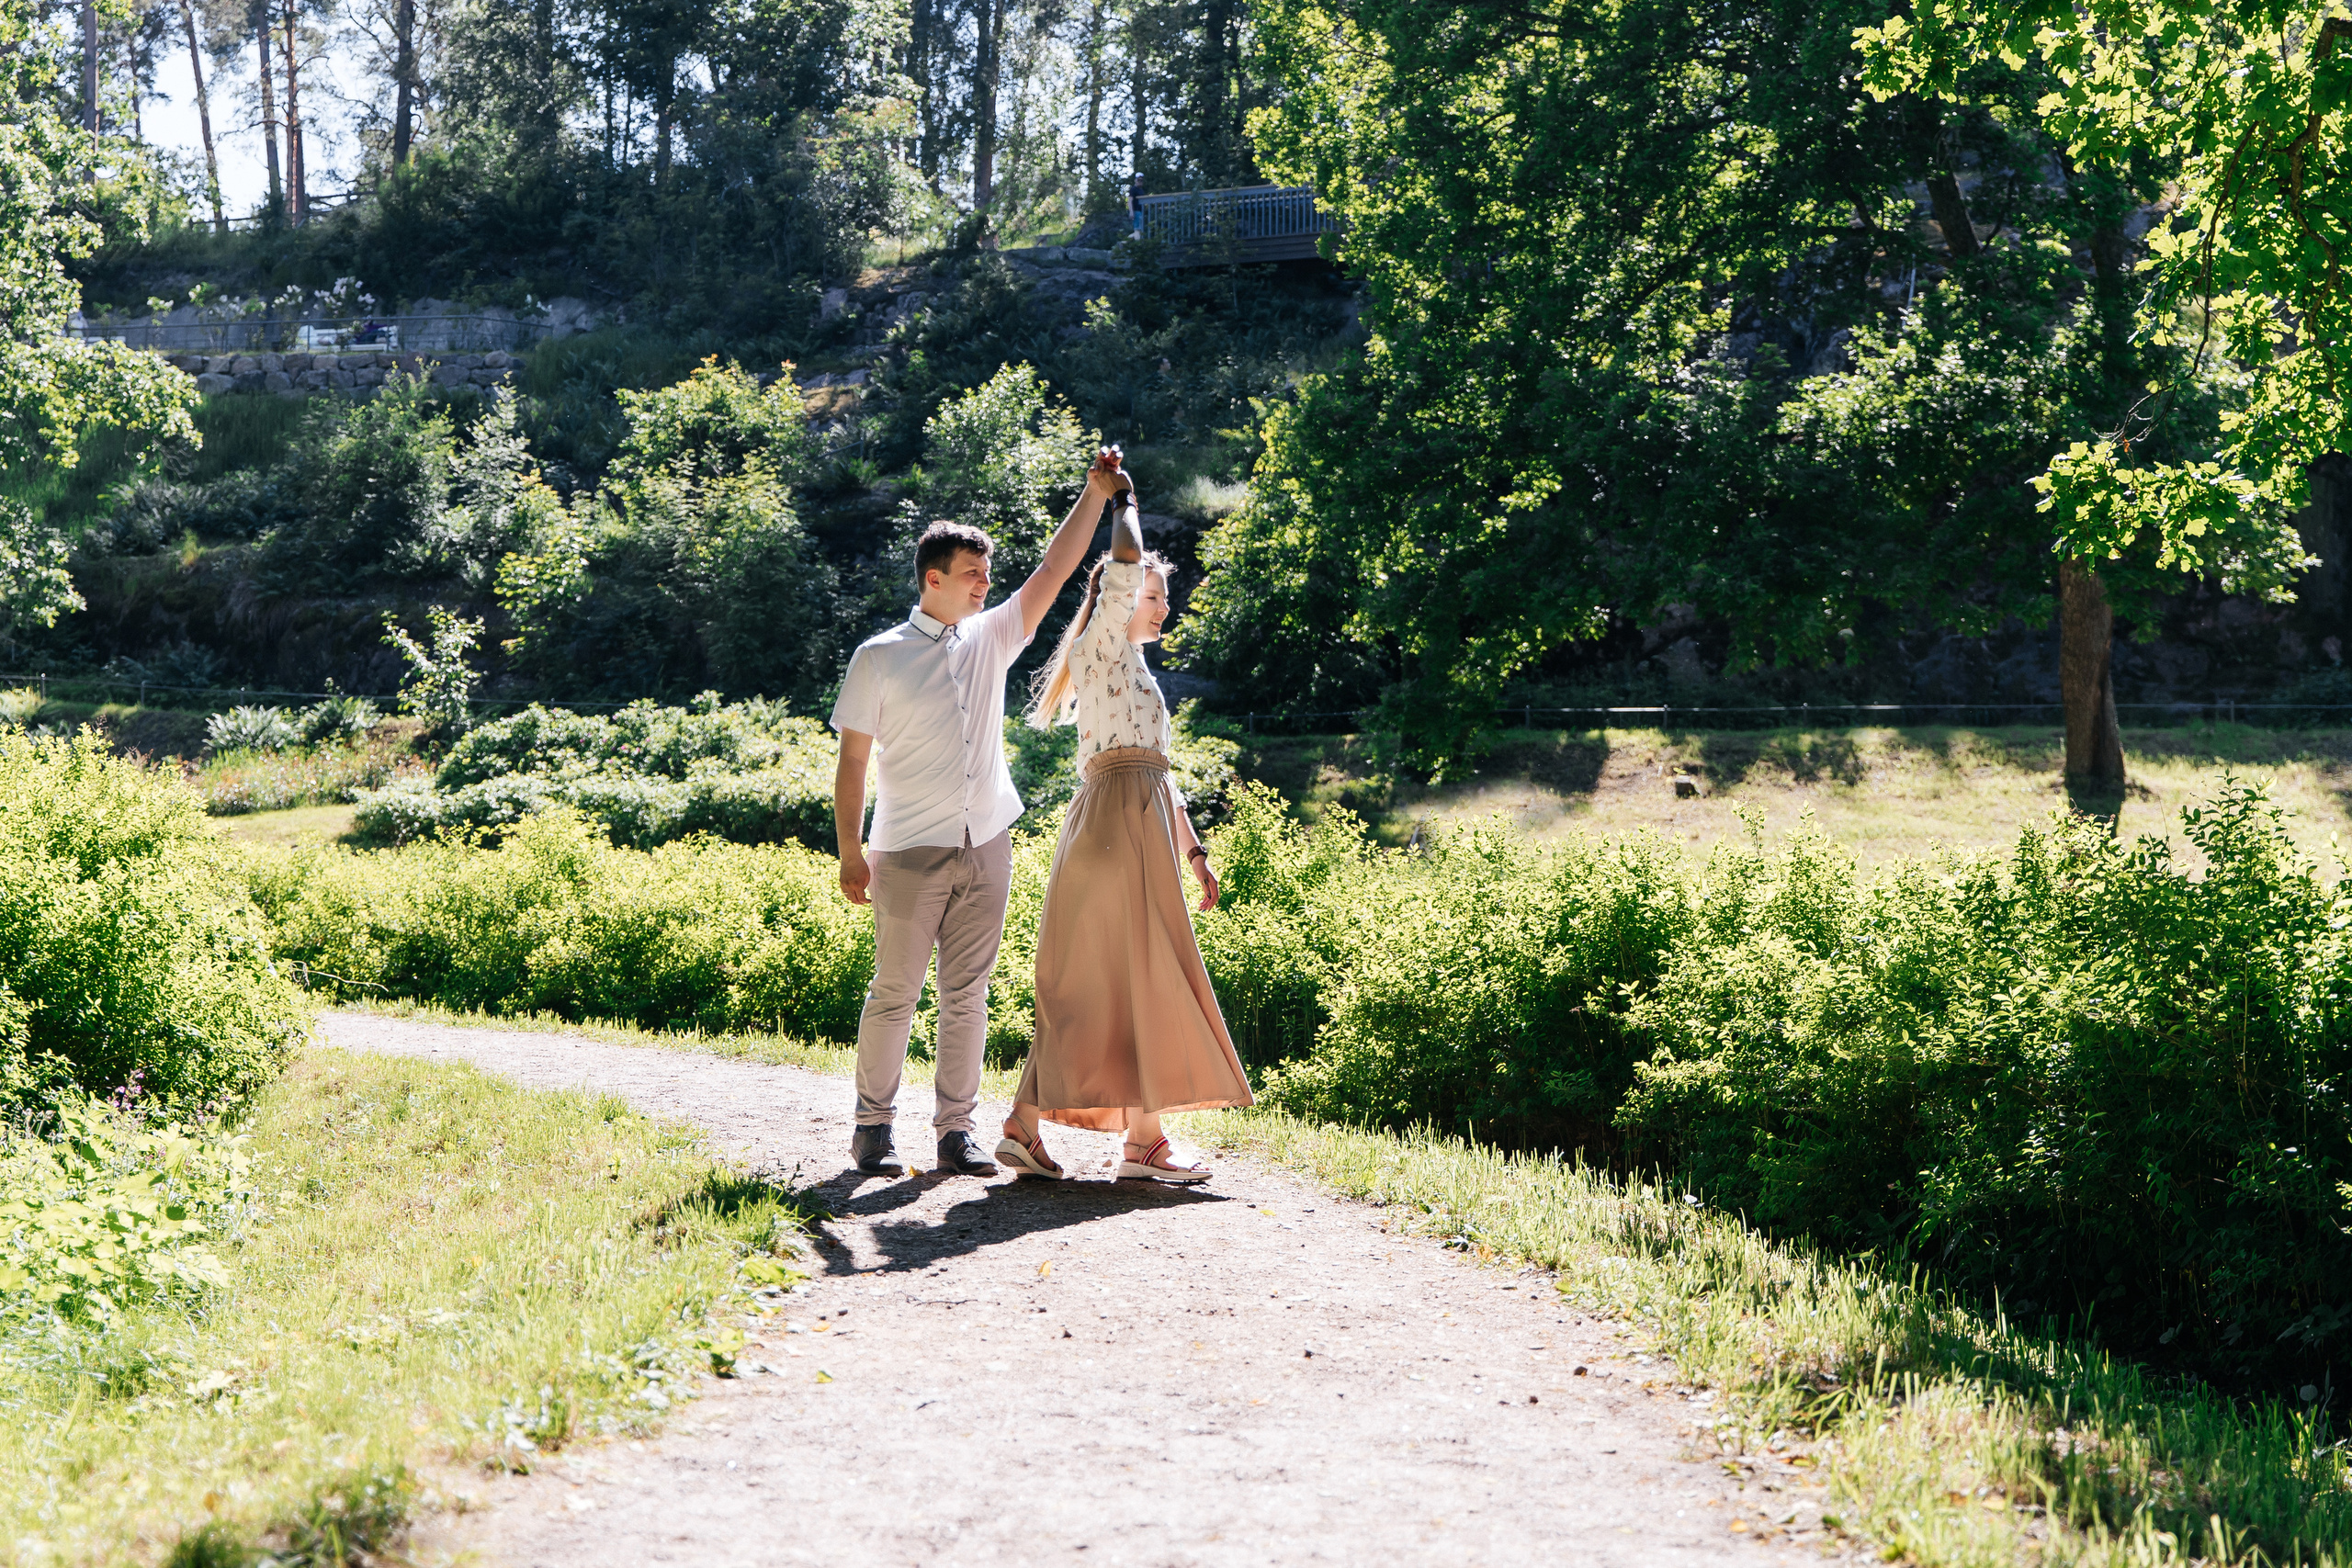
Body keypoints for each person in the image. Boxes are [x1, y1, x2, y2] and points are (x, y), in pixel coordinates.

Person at [831, 450, 1134, 1177]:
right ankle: (873, 1127)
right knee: (895, 992)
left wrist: (1094, 496)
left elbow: (1054, 571)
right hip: (906, 849)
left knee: (967, 994)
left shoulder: (993, 635)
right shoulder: (878, 657)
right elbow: (852, 764)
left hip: (987, 843)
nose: (985, 584)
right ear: (932, 579)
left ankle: (955, 1132)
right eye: (973, 573)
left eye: (987, 573)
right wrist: (850, 851)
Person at [995, 485, 1253, 1182]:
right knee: (1134, 976)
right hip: (1114, 828)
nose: (1164, 607)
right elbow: (1126, 562)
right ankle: (1141, 1142)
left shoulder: (1134, 670)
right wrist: (1122, 504)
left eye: (1164, 598)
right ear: (1121, 598)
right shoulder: (1101, 649)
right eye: (1153, 596)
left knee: (1112, 981)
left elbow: (1159, 773)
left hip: (1134, 823)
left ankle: (1031, 1127)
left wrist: (1195, 852)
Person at [1128, 170, 1148, 237]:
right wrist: (1131, 212)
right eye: (1138, 180)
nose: (1140, 181)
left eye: (1141, 180)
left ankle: (1126, 241)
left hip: (1141, 211)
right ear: (1135, 180)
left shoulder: (1141, 190)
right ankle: (1137, 242)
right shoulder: (1133, 189)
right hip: (1136, 211)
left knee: (1140, 229)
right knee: (1137, 229)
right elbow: (1130, 201)